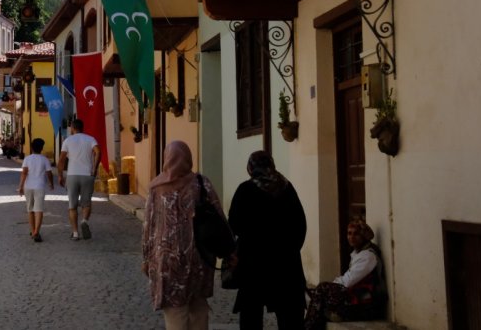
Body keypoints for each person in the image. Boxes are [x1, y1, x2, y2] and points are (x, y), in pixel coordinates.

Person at [142, 140, 222, 329]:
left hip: (168, 259)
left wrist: (146, 258)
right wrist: (228, 251)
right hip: (199, 256)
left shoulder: (156, 188)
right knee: (198, 306)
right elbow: (218, 217)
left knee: (175, 310)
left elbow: (149, 226)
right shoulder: (202, 184)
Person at [228, 150, 307, 330]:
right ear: (272, 165)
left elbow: (234, 224)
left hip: (253, 263)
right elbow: (300, 225)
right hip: (287, 263)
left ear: (250, 168)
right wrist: (291, 249)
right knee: (289, 316)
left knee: (251, 316)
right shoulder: (287, 188)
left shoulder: (245, 190)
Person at [304, 218, 386, 329]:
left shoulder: (368, 256)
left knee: (322, 290)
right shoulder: (358, 254)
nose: (351, 237)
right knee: (317, 298)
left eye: (356, 234)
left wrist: (328, 287)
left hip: (367, 306)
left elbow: (347, 282)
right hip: (355, 300)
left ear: (363, 237)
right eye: (349, 233)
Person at [58, 118, 100, 240]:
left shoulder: (67, 141)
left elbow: (61, 160)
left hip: (72, 175)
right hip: (87, 175)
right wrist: (95, 168)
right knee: (86, 203)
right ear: (82, 128)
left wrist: (60, 175)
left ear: (72, 128)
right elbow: (98, 151)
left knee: (72, 205)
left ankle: (75, 233)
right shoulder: (90, 139)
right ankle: (85, 221)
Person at [17, 138, 54, 242]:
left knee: (30, 210)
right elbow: (49, 173)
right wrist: (51, 183)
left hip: (28, 187)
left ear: (32, 147)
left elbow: (24, 173)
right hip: (40, 187)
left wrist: (20, 186)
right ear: (42, 148)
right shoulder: (44, 159)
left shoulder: (27, 159)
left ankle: (32, 230)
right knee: (39, 210)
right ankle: (36, 231)